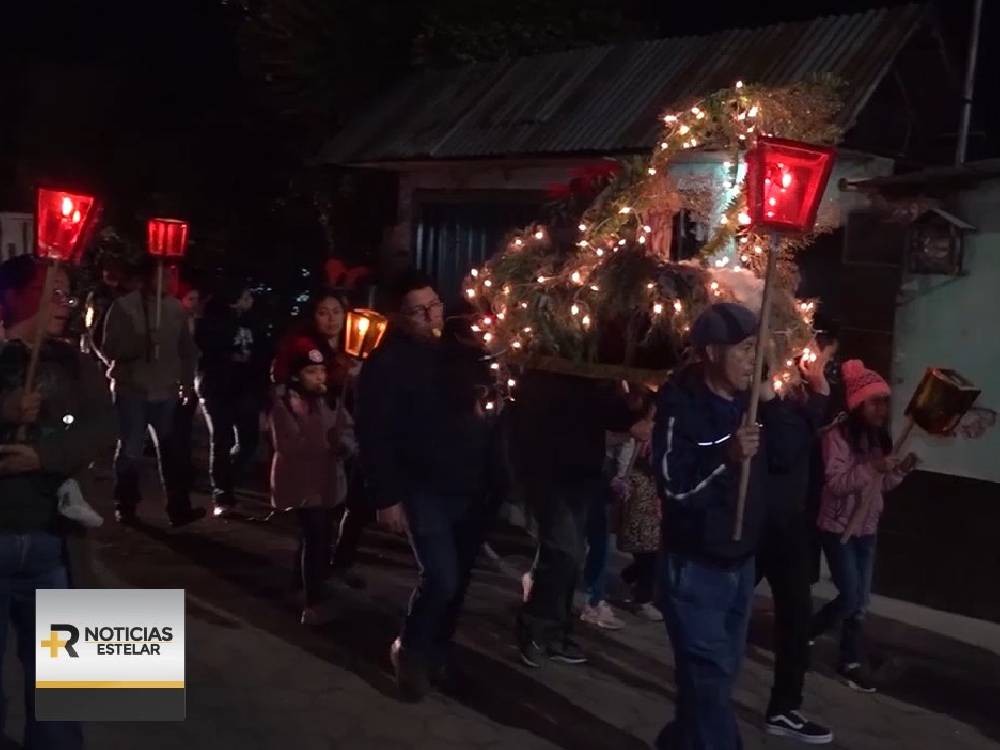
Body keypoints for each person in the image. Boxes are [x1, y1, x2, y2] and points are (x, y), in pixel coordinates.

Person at [651, 302, 801, 750]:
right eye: (743, 349)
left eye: (759, 348)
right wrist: (726, 456)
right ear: (713, 352)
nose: (753, 359)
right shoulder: (683, 406)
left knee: (715, 679)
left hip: (740, 565)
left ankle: (678, 741)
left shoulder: (751, 402)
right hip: (695, 569)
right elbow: (674, 487)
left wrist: (772, 401)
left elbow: (788, 455)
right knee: (710, 682)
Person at [357, 271, 503, 701]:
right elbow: (374, 434)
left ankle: (439, 650)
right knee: (440, 576)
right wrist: (386, 497)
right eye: (419, 310)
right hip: (422, 485)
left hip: (473, 482)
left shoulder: (460, 351)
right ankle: (411, 647)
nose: (431, 316)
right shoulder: (385, 364)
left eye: (435, 304)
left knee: (458, 580)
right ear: (399, 317)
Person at [0, 255, 116, 749]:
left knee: (62, 692)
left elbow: (102, 430)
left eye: (69, 294)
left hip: (56, 545)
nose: (66, 306)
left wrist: (44, 456)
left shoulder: (76, 363)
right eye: (55, 293)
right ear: (16, 296)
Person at [512, 368, 643, 667]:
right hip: (547, 472)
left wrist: (633, 403)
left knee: (569, 556)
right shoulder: (547, 371)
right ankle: (533, 625)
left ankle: (556, 631)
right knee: (563, 550)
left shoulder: (595, 374)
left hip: (581, 474)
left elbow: (611, 414)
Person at [809, 359, 917, 693]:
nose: (881, 408)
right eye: (874, 401)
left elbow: (880, 486)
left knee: (860, 601)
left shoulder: (877, 439)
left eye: (884, 401)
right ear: (857, 404)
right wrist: (873, 467)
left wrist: (898, 471)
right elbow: (837, 483)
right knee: (851, 596)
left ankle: (850, 660)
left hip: (867, 529)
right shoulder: (837, 437)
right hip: (837, 526)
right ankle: (807, 632)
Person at [756, 341, 837, 744]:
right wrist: (819, 396)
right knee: (725, 611)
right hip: (767, 524)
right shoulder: (769, 394)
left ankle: (785, 707)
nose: (821, 362)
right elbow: (786, 449)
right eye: (822, 355)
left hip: (787, 523)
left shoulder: (789, 398)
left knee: (795, 618)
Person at [273, 290, 370, 588]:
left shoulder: (352, 346)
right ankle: (311, 584)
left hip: (345, 435)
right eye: (323, 312)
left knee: (341, 507)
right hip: (312, 440)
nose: (331, 319)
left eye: (336, 312)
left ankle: (324, 568)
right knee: (315, 516)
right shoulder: (304, 348)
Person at [102, 257, 204, 527]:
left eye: (171, 276)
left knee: (172, 450)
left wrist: (186, 382)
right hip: (132, 389)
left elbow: (186, 351)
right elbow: (109, 347)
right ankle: (126, 503)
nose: (168, 281)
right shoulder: (124, 308)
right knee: (131, 449)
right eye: (162, 276)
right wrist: (142, 344)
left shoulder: (175, 310)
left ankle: (178, 507)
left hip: (166, 390)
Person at [270, 338, 355, 626]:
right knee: (316, 537)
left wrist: (344, 445)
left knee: (314, 536)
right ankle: (313, 602)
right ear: (296, 376)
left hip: (327, 480)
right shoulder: (285, 405)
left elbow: (347, 431)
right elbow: (289, 443)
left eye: (321, 372)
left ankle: (298, 585)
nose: (319, 378)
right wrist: (324, 441)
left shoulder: (330, 400)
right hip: (303, 481)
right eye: (310, 372)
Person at [196, 282, 265, 516]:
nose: (251, 300)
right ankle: (222, 494)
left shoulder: (252, 321)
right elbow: (207, 350)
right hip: (217, 387)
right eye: (246, 295)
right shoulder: (212, 320)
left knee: (249, 442)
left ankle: (226, 479)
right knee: (221, 440)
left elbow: (260, 352)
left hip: (244, 388)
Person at [614, 398, 663, 623]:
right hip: (639, 489)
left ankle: (631, 579)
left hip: (654, 491)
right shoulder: (641, 429)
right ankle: (642, 598)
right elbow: (627, 452)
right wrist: (622, 478)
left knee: (654, 548)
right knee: (647, 547)